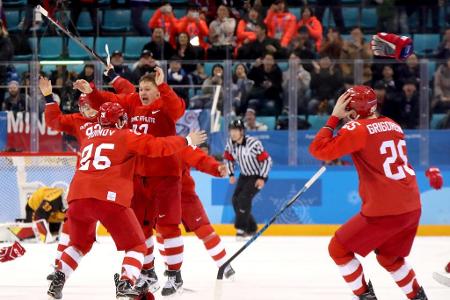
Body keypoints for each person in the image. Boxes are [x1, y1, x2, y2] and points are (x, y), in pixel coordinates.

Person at [45, 100, 205, 300]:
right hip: (108, 197)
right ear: (119, 120)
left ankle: (58, 279)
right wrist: (186, 140)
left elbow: (56, 121)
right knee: (137, 246)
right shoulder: (125, 136)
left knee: (78, 244)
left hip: (77, 197)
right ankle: (126, 282)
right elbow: (157, 146)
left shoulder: (88, 133)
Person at [309, 86, 428, 300]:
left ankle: (365, 296)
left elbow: (319, 150)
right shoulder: (393, 125)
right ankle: (419, 297)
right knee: (390, 258)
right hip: (411, 205)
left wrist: (335, 118)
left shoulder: (356, 128)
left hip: (384, 208)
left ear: (351, 110)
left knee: (338, 249)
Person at [78, 66, 187, 296]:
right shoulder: (133, 103)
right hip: (138, 177)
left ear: (158, 92)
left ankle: (174, 274)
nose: (143, 92)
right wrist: (92, 93)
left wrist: (164, 86)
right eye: (141, 89)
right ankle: (148, 272)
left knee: (167, 227)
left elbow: (177, 109)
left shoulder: (165, 105)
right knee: (140, 228)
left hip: (166, 176)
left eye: (148, 89)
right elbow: (111, 100)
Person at [154, 145, 236, 288]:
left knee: (204, 230)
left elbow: (199, 158)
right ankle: (171, 271)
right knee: (162, 233)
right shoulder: (147, 143)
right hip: (162, 197)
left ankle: (224, 264)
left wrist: (216, 168)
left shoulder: (177, 144)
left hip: (185, 195)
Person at [224, 119, 272, 239]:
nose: (233, 133)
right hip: (244, 175)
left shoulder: (253, 143)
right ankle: (251, 228)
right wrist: (230, 174)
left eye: (236, 130)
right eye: (231, 130)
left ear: (242, 131)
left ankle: (241, 229)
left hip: (257, 175)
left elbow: (267, 160)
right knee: (235, 200)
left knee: (244, 198)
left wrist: (262, 177)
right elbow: (228, 159)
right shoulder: (231, 143)